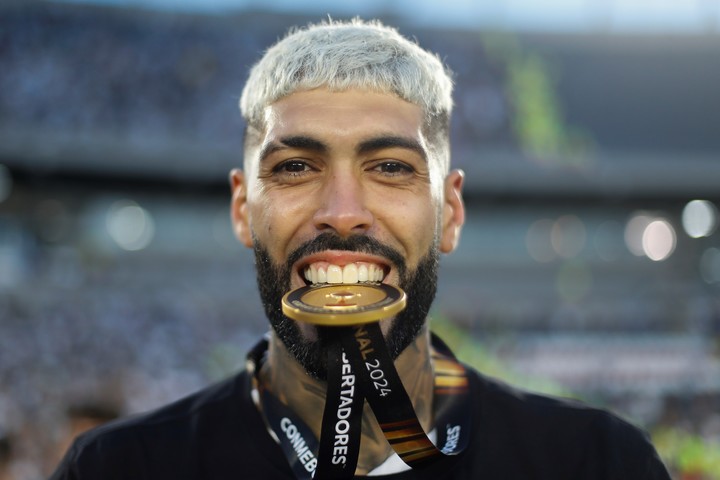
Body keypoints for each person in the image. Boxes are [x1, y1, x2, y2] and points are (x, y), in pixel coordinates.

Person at [50, 18, 671, 479]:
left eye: (391, 168)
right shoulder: (118, 469)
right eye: (295, 167)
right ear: (243, 210)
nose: (342, 212)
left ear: (449, 214)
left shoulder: (596, 463)